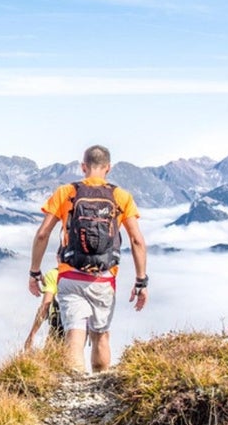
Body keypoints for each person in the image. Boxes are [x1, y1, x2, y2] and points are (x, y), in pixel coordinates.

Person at [27, 144, 148, 374]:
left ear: (83, 167)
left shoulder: (66, 193)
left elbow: (43, 233)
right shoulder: (121, 197)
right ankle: (99, 387)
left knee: (74, 335)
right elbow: (137, 241)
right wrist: (141, 281)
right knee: (101, 337)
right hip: (104, 279)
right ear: (108, 168)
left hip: (70, 276)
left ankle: (75, 393)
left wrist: (34, 271)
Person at [23, 264, 64, 351]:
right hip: (83, 324)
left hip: (59, 325)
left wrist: (32, 334)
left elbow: (45, 307)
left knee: (51, 359)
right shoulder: (85, 272)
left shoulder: (54, 274)